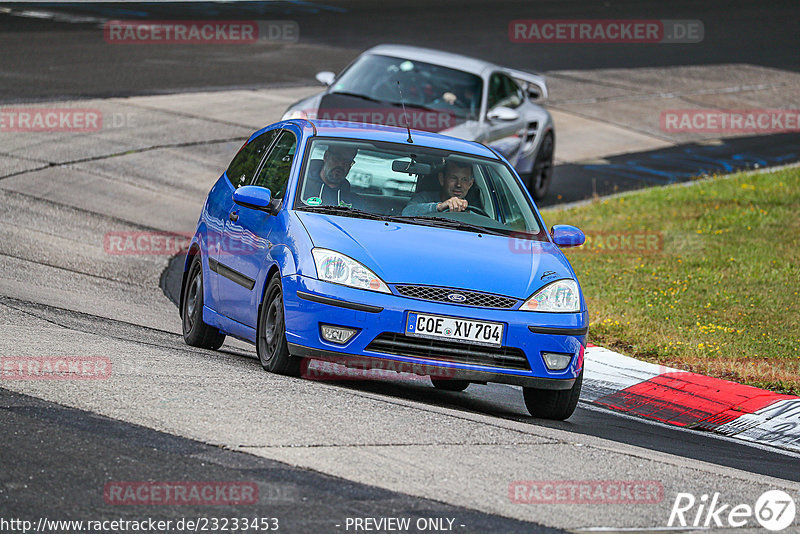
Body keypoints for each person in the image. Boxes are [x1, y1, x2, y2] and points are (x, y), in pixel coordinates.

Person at [402, 159, 475, 216]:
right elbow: (407, 212)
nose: (459, 185)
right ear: (442, 179)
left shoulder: (475, 209)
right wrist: (439, 207)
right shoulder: (424, 198)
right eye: (453, 178)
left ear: (470, 184)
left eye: (464, 180)